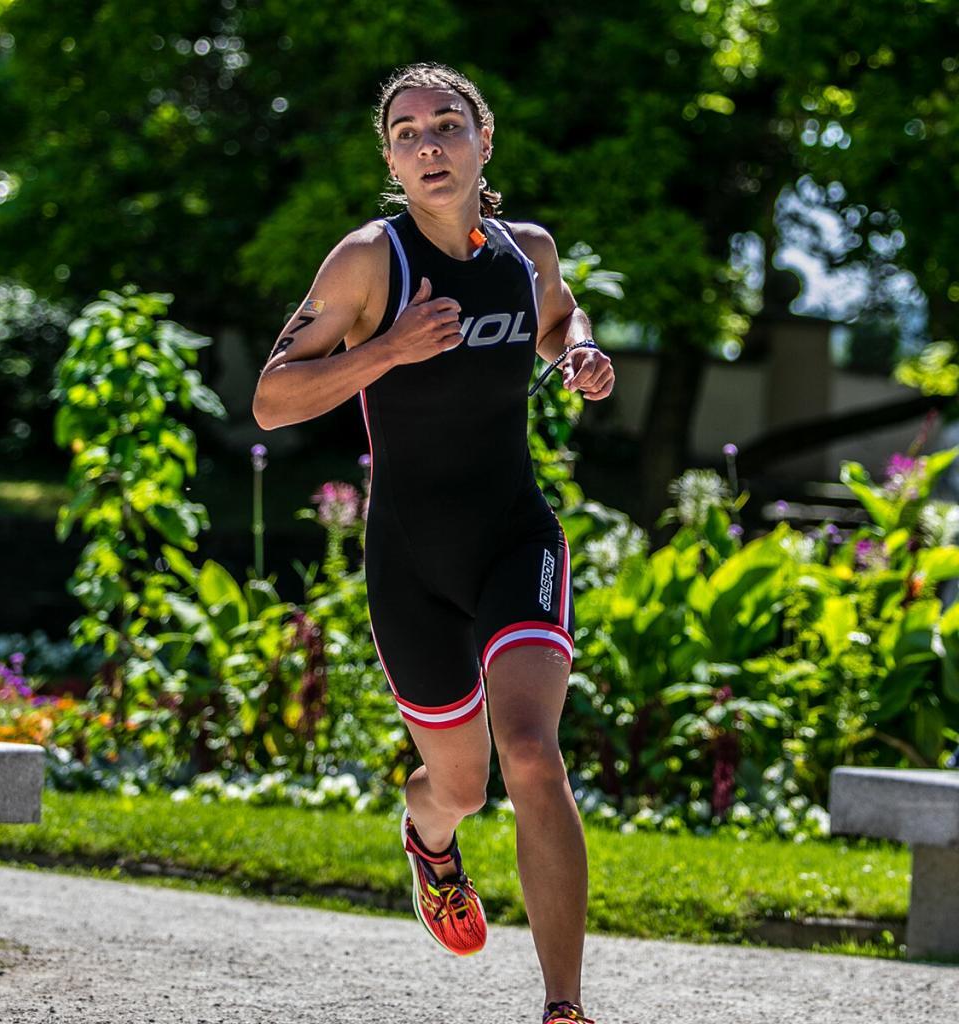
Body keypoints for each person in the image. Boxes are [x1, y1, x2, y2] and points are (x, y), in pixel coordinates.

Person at [253, 61, 614, 1024]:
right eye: (407, 133)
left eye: (445, 125)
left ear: (482, 141)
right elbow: (272, 395)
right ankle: (431, 840)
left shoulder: (524, 249)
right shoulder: (369, 262)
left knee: (531, 752)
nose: (428, 145)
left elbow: (555, 314)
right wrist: (386, 351)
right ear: (391, 160)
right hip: (411, 560)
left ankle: (563, 1007)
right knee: (459, 785)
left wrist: (576, 348)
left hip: (514, 537)